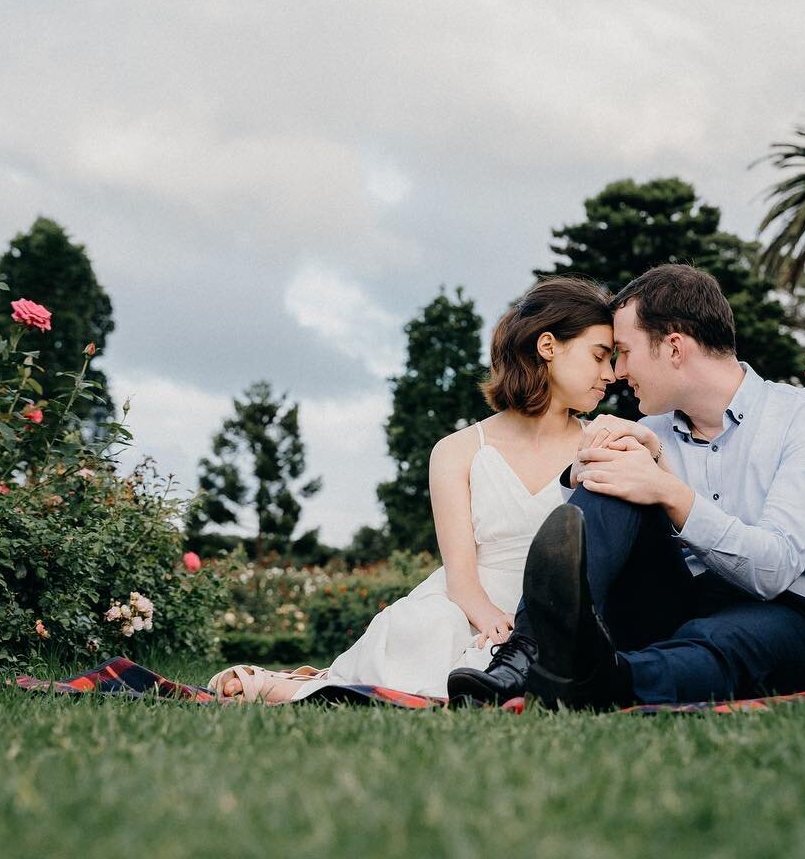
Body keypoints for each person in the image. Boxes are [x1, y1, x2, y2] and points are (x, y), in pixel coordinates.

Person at [447, 264, 805, 708]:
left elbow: (774, 570)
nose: (617, 371)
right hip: (678, 609)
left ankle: (600, 681)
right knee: (617, 475)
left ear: (674, 348)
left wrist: (667, 489)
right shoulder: (649, 431)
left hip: (791, 619)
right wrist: (588, 472)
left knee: (720, 638)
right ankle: (526, 656)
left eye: (623, 351)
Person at [209, 277, 615, 703]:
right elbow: (459, 576)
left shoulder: (601, 442)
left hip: (559, 609)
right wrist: (493, 621)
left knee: (511, 662)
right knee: (422, 628)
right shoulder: (456, 451)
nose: (610, 374)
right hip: (471, 603)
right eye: (600, 356)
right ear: (548, 346)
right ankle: (311, 685)